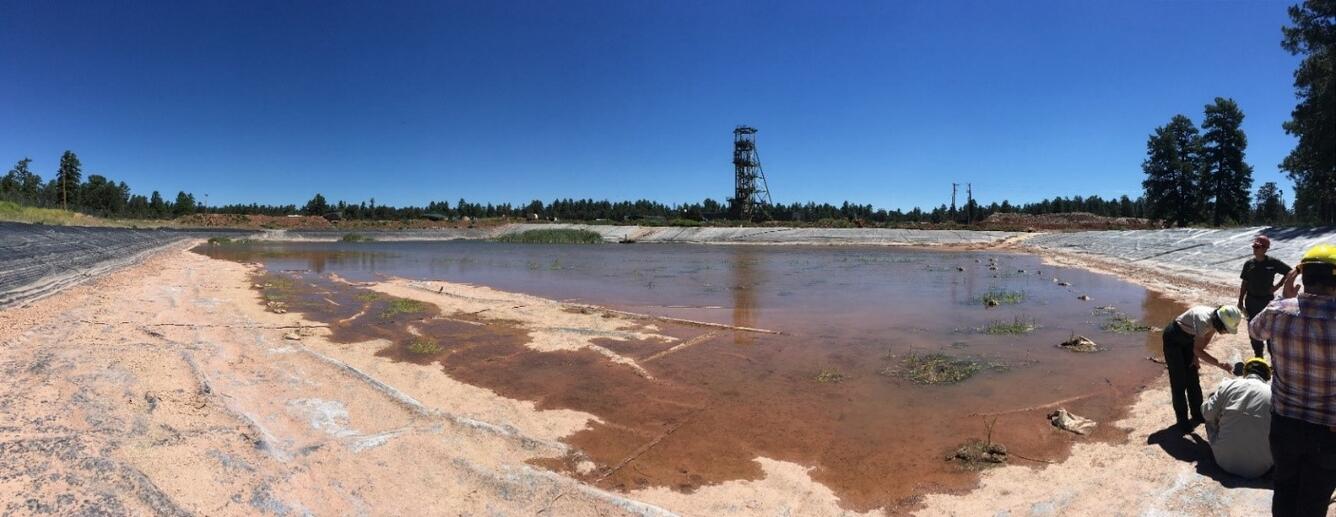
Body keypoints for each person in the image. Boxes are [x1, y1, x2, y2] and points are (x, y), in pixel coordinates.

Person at [1251, 244, 1336, 517]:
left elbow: (1255, 329)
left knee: (1285, 489)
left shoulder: (1277, 311)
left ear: (1302, 276)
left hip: (1284, 424)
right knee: (1314, 499)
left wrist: (1285, 296)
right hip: (1328, 431)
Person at [1163, 304, 1243, 430]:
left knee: (1193, 379)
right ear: (1220, 323)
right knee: (1179, 381)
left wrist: (1195, 357)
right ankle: (1182, 420)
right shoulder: (1203, 321)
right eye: (1226, 329)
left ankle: (1198, 414)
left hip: (1189, 339)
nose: (1226, 332)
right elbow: (1198, 348)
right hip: (1173, 338)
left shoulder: (1213, 320)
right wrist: (1218, 363)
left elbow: (1203, 342)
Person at [1201, 358, 1273, 478]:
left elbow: (1207, 414)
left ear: (1246, 372)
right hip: (1261, 468)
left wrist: (1212, 399)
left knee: (1211, 412)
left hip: (1224, 461)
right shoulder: (1274, 394)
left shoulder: (1228, 385)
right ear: (1267, 377)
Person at [1238, 235, 1292, 358]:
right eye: (1254, 246)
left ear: (1266, 249)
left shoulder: (1273, 263)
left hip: (1267, 301)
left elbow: (1289, 271)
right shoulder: (1249, 264)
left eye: (1258, 246)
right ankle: (1258, 356)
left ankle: (1273, 359)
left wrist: (1278, 286)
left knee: (1270, 329)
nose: (1255, 248)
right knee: (1253, 328)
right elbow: (1244, 283)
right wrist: (1240, 301)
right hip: (1251, 301)